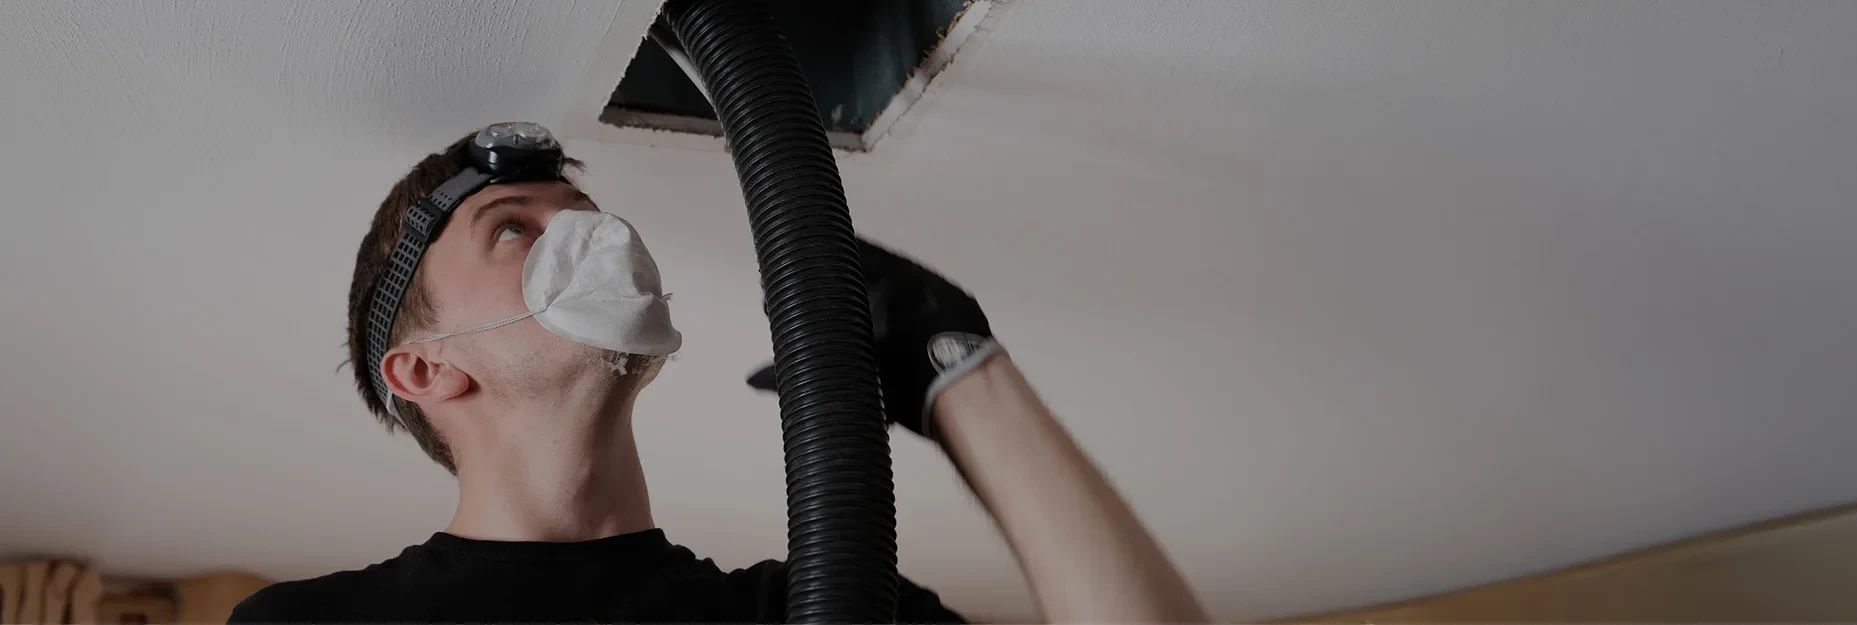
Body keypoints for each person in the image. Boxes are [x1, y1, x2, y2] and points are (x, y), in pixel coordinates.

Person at [228, 125, 1208, 623]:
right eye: (513, 227)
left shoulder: (814, 605)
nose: (591, 235)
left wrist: (965, 374)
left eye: (587, 211)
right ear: (426, 368)